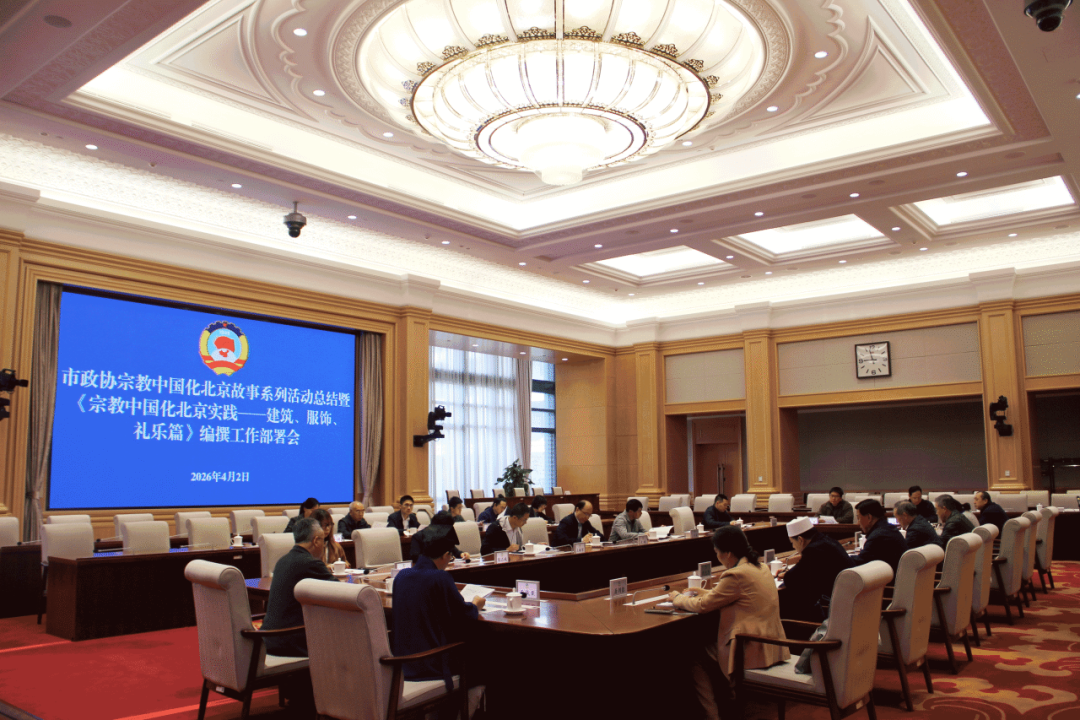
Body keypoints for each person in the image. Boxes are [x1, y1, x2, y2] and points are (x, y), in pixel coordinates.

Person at [669, 526, 789, 720]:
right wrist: (705, 592)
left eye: (717, 552)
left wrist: (676, 598)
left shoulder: (735, 575)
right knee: (710, 649)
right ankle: (728, 700)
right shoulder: (761, 567)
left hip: (748, 648)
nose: (717, 557)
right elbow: (732, 595)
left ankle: (712, 715)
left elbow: (702, 606)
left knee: (696, 656)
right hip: (771, 644)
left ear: (728, 554)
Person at [392, 524, 485, 690]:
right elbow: (463, 616)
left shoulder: (401, 576)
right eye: (451, 557)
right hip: (431, 664)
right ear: (445, 555)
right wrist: (475, 606)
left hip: (402, 664)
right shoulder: (440, 578)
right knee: (483, 663)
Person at [261, 517, 336, 657]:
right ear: (316, 541)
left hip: (267, 640)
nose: (324, 545)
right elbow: (341, 593)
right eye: (323, 541)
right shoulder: (310, 563)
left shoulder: (282, 560)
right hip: (291, 643)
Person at [777, 517, 851, 623]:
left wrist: (787, 574)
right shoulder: (826, 541)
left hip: (838, 608)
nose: (793, 546)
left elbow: (791, 579)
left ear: (801, 540)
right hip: (846, 601)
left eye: (792, 542)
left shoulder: (814, 549)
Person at [850, 499, 907, 574]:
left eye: (859, 518)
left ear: (869, 517)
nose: (858, 523)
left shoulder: (878, 536)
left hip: (889, 579)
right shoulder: (889, 528)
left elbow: (859, 562)